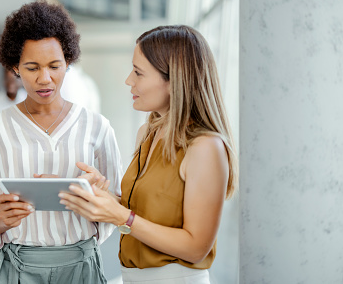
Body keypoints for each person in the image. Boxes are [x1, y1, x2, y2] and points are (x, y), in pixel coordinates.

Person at [59, 25, 238, 284]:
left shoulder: (205, 146)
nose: (129, 80)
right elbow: (145, 214)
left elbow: (196, 247)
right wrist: (103, 197)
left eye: (138, 73)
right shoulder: (148, 132)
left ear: (174, 80)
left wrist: (121, 216)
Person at [0, 0, 123, 284]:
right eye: (31, 67)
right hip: (15, 268)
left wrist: (96, 196)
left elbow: (119, 204)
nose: (45, 79)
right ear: (15, 67)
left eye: (55, 66)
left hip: (81, 267)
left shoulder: (97, 127)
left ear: (68, 62)